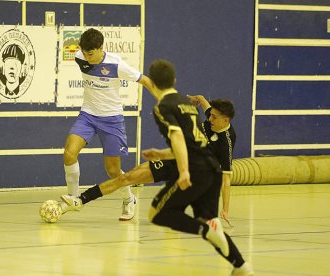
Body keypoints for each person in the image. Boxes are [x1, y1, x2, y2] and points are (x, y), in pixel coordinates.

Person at [60, 59, 253, 275]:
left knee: (157, 214)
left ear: (153, 82)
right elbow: (190, 141)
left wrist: (184, 171)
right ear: (174, 80)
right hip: (205, 167)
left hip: (191, 166)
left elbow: (179, 137)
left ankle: (205, 230)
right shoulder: (185, 102)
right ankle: (241, 266)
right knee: (129, 178)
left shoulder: (163, 107)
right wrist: (162, 154)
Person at [61, 28, 153, 221]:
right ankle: (73, 197)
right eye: (84, 53)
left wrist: (165, 97)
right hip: (88, 114)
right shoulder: (80, 58)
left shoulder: (116, 64)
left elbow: (145, 80)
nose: (87, 57)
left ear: (101, 48)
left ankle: (129, 199)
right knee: (69, 153)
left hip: (112, 120)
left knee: (112, 170)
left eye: (91, 53)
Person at [187, 95, 236, 225]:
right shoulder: (214, 115)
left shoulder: (226, 142)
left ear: (225, 121)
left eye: (214, 117)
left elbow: (226, 179)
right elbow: (203, 101)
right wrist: (197, 99)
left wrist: (225, 210)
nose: (209, 119)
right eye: (210, 115)